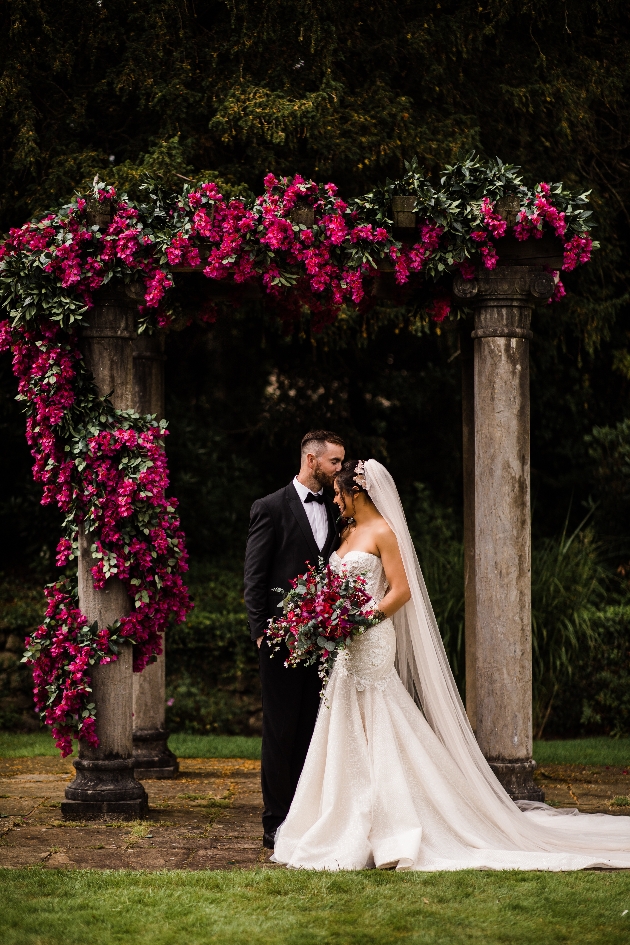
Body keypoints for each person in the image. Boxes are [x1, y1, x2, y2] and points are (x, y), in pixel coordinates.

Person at [272, 458, 630, 871]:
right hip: (347, 645)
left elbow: (401, 591)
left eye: (339, 492)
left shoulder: (384, 532)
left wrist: (357, 620)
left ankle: (394, 823)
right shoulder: (348, 531)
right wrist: (325, 617)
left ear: (359, 492)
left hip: (370, 638)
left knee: (380, 716)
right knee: (347, 720)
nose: (334, 500)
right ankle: (347, 818)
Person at [244, 430, 345, 849]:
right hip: (282, 642)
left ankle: (307, 816)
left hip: (327, 641)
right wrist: (262, 635)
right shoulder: (270, 507)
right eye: (335, 461)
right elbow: (255, 578)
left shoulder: (341, 511)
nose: (341, 469)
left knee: (312, 731)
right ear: (311, 458)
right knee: (280, 731)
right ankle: (275, 821)